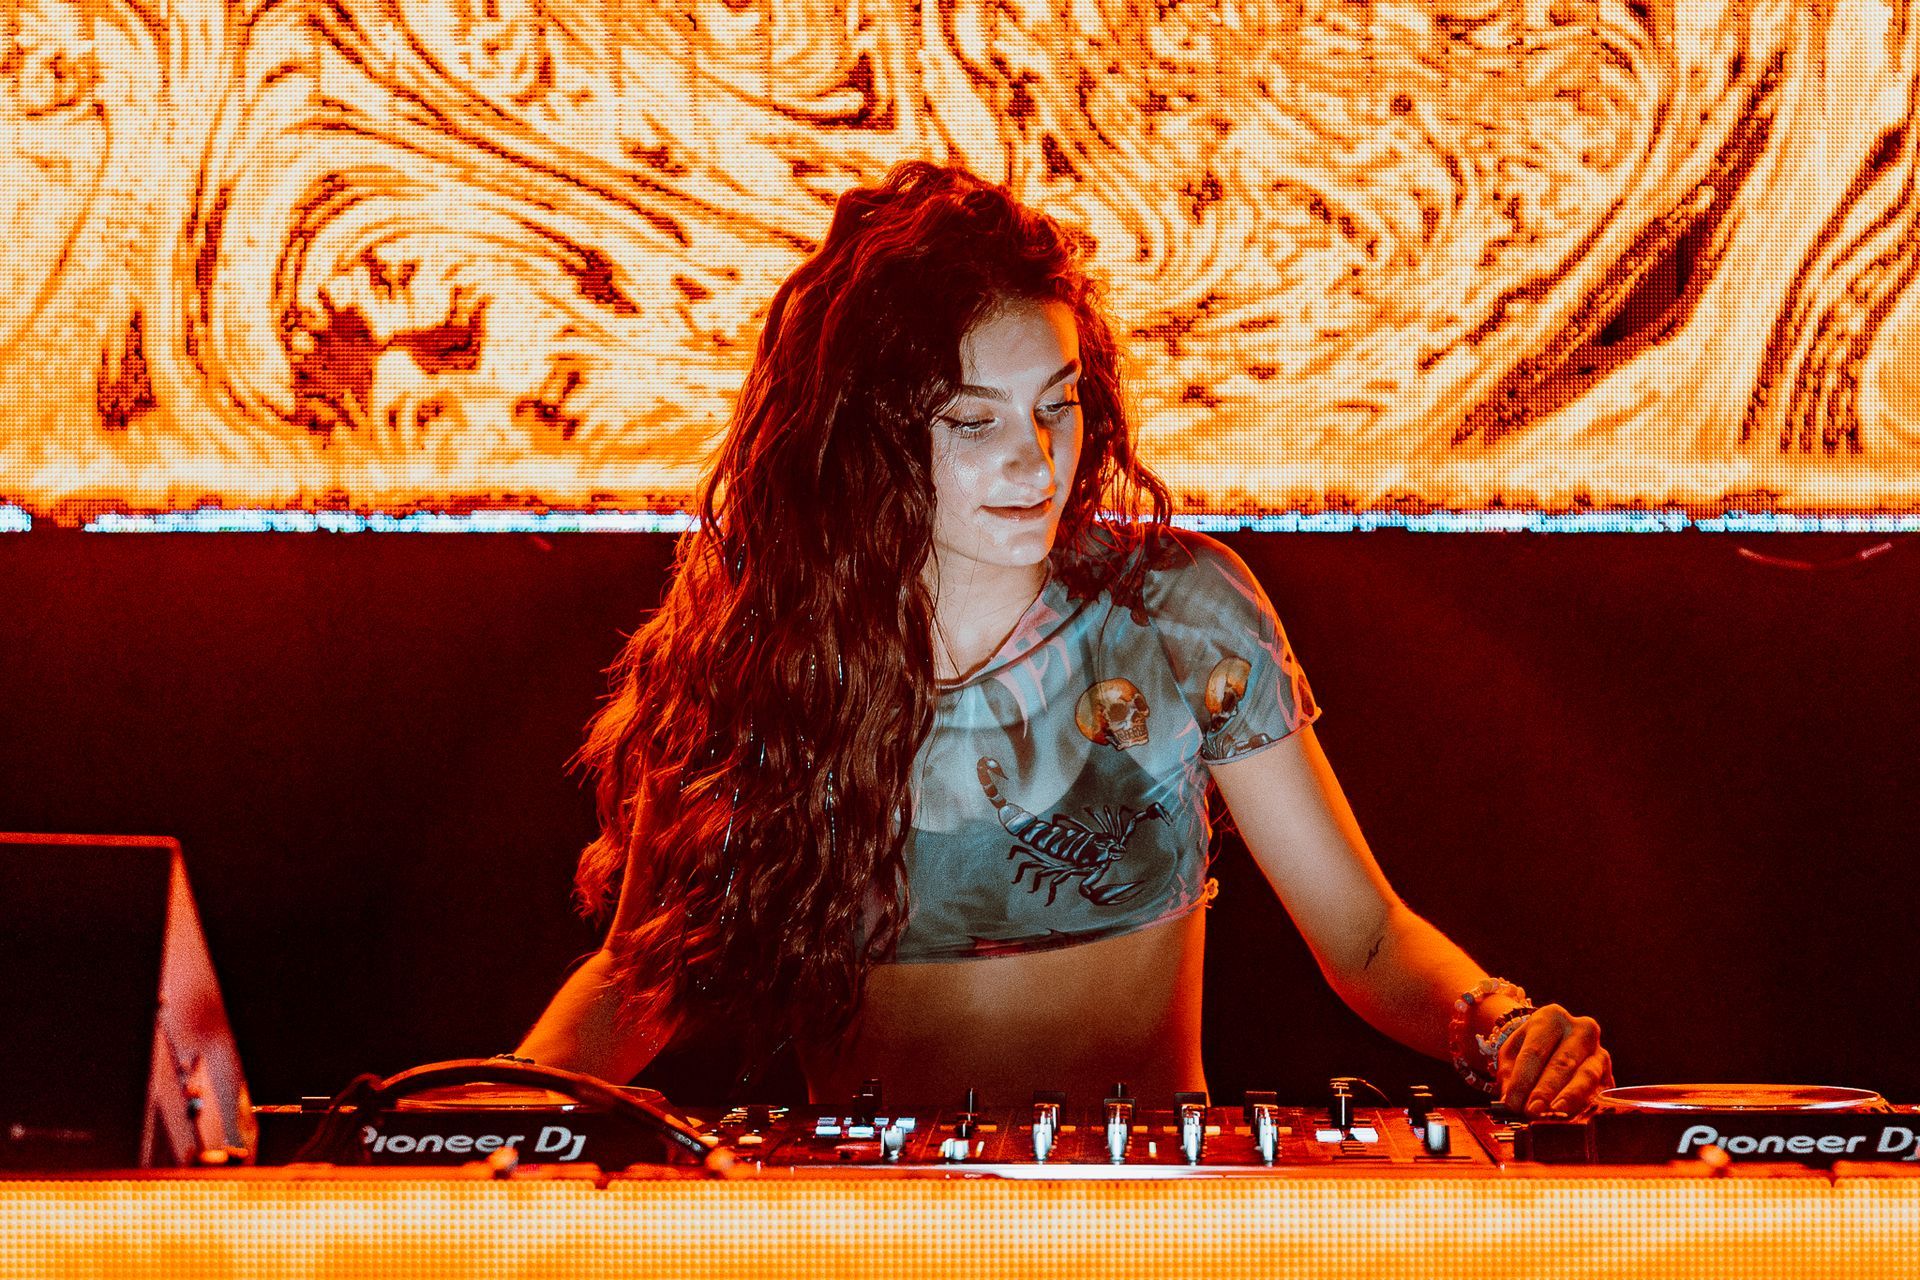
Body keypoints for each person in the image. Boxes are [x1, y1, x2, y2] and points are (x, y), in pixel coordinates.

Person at [512, 160, 1611, 1112]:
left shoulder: (1180, 614)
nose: (1034, 459)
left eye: (1057, 404)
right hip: (884, 1234)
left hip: (1145, 1227)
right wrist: (491, 1115)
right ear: (864, 438)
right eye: (972, 420)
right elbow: (634, 982)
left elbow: (1366, 937)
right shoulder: (766, 658)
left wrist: (1502, 1028)